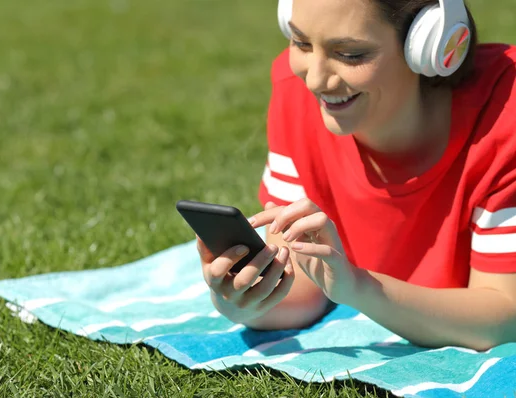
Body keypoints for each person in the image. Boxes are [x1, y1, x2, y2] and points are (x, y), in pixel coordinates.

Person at [196, 0, 516, 351]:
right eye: (302, 43)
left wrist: (358, 288)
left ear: (431, 44)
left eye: (349, 54)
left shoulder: (504, 119)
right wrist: (240, 299)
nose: (315, 79)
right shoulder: (295, 95)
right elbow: (307, 283)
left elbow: (503, 317)